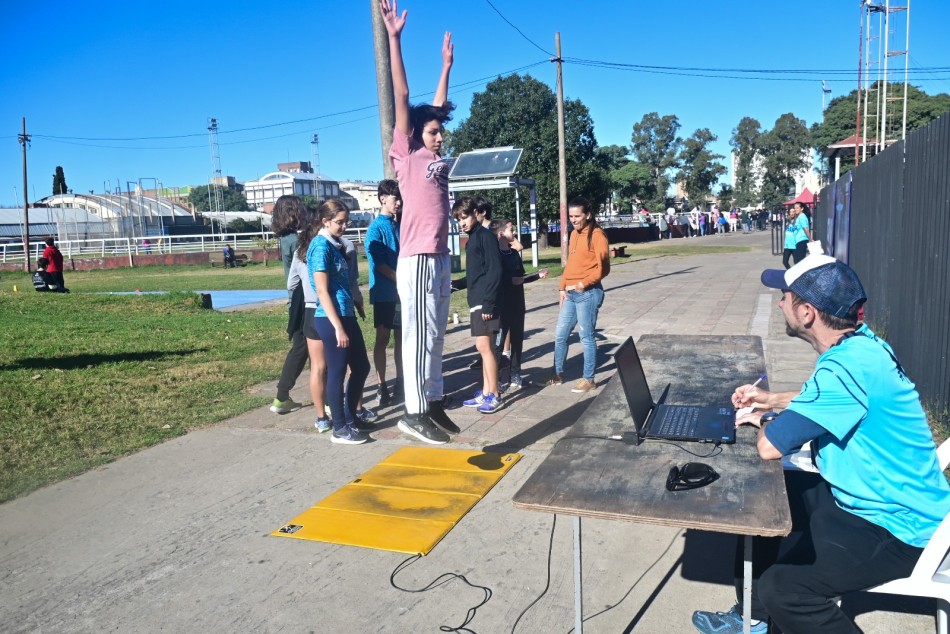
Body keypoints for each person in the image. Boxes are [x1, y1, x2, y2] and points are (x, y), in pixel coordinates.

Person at [692, 254, 950, 634]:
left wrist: (764, 418)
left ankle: (769, 608)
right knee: (762, 503)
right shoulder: (863, 346)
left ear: (807, 312)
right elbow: (829, 398)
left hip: (898, 527)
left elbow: (770, 447)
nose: (781, 303)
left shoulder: (842, 370)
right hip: (876, 499)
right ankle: (754, 619)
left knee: (787, 589)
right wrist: (772, 398)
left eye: (785, 296)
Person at [381, 0, 459, 444]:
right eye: (431, 132)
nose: (439, 136)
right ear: (414, 136)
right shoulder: (407, 155)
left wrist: (445, 66)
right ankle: (411, 413)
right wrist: (395, 38)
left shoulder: (436, 156)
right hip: (416, 258)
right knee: (415, 335)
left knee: (435, 333)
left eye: (439, 132)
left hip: (441, 254)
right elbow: (405, 97)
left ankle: (432, 402)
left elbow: (439, 107)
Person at [307, 200, 372, 445]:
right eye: (339, 222)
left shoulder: (335, 245)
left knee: (362, 367)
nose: (344, 226)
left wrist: (355, 305)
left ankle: (349, 416)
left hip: (346, 314)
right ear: (325, 221)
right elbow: (322, 291)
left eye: (347, 222)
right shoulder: (320, 246)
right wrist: (338, 327)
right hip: (330, 318)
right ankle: (340, 429)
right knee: (337, 372)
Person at [546, 197, 610, 393]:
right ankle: (557, 373)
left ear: (588, 215)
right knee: (560, 335)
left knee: (586, 337)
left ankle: (589, 379)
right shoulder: (574, 234)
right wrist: (561, 287)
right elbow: (571, 264)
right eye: (571, 216)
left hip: (588, 294)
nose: (574, 220)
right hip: (570, 294)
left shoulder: (597, 235)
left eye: (577, 216)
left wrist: (584, 283)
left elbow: (604, 268)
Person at [450, 197, 504, 413]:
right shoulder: (473, 238)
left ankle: (495, 394)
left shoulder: (484, 236)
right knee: (485, 349)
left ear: (475, 213)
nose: (462, 223)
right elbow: (476, 275)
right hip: (476, 301)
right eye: (458, 220)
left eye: (464, 217)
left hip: (485, 303)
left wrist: (489, 304)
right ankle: (485, 392)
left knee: (484, 348)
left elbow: (495, 271)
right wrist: (455, 284)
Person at [269, 195, 311, 415]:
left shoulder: (285, 239)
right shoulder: (295, 240)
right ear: (294, 212)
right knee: (304, 348)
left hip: (295, 301)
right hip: (302, 301)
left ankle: (282, 397)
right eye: (301, 208)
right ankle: (283, 395)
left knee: (303, 349)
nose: (304, 212)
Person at [495, 217, 548, 389]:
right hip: (501, 303)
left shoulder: (513, 254)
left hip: (517, 302)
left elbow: (521, 277)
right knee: (499, 342)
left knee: (517, 339)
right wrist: (510, 280)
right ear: (501, 233)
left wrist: (536, 275)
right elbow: (495, 279)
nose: (515, 233)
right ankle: (497, 378)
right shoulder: (495, 255)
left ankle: (515, 374)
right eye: (512, 230)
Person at [365, 179, 403, 406]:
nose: (398, 202)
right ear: (383, 199)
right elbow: (380, 264)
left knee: (401, 340)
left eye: (399, 198)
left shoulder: (399, 225)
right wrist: (401, 281)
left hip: (401, 296)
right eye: (395, 198)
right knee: (382, 339)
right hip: (385, 295)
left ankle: (401, 383)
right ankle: (381, 385)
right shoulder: (375, 228)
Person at [782, 202, 813, 269]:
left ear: (802, 208)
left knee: (799, 262)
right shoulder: (799, 217)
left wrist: (810, 239)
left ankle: (802, 276)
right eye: (795, 208)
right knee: (798, 262)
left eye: (797, 208)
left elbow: (806, 228)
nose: (795, 209)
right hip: (798, 241)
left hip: (801, 240)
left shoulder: (802, 216)